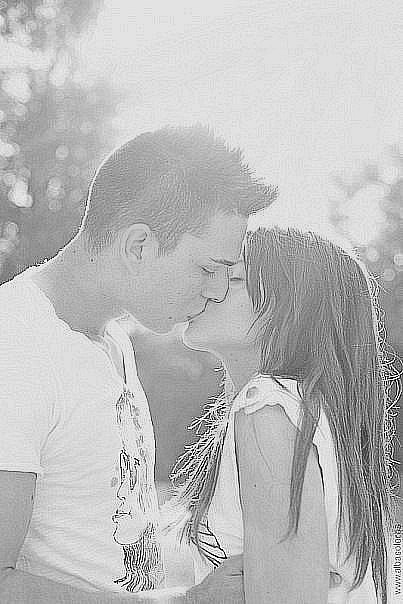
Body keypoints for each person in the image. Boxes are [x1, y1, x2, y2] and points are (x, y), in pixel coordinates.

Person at [0, 126, 277, 603]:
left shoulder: (111, 338)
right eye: (208, 269)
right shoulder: (16, 347)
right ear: (139, 246)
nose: (217, 291)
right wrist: (186, 602)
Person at [174, 226, 395, 603]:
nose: (209, 288)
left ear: (291, 312)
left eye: (235, 278)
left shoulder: (267, 408)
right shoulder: (307, 417)